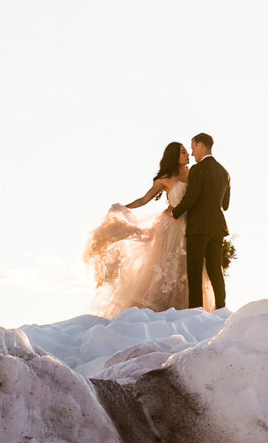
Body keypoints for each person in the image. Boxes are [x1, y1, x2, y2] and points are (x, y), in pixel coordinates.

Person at [83, 141, 195, 315]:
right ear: (174, 156)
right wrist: (124, 207)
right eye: (183, 152)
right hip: (172, 226)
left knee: (188, 269)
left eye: (187, 151)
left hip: (192, 224)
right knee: (167, 267)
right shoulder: (164, 179)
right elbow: (144, 199)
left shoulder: (194, 173)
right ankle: (162, 308)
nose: (187, 155)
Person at [172, 133, 230, 311]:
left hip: (198, 228)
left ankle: (195, 312)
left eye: (192, 147)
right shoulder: (224, 172)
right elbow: (225, 205)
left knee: (195, 273)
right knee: (215, 272)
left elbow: (191, 199)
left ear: (200, 145)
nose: (192, 152)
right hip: (217, 228)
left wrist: (174, 212)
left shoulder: (198, 169)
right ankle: (221, 309)